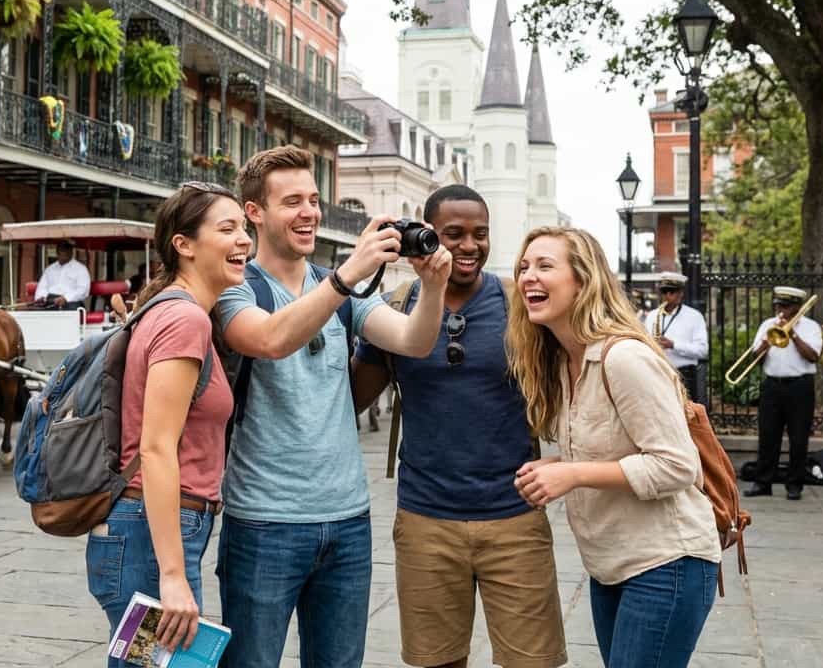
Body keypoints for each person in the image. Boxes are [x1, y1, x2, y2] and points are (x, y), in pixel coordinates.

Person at [215, 146, 452, 668]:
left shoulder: (340, 289)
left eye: (315, 200)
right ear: (254, 212)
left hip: (347, 520)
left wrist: (432, 288)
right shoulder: (237, 289)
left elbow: (412, 341)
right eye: (292, 201)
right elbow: (272, 339)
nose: (310, 213)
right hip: (263, 523)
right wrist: (345, 278)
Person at [351, 185, 567, 668]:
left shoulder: (523, 308)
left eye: (480, 234)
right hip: (426, 519)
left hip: (515, 516)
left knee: (533, 662)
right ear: (429, 233)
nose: (469, 246)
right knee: (436, 661)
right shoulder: (396, 304)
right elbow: (348, 400)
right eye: (454, 234)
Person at [508, 227, 720, 668]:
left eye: (546, 266)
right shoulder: (563, 362)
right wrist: (560, 465)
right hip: (610, 566)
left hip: (666, 563)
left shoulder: (623, 358)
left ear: (583, 281)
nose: (529, 276)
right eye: (524, 267)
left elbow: (677, 466)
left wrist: (571, 473)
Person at [84, 181, 250, 664]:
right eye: (227, 228)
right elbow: (156, 448)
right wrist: (172, 576)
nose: (244, 239)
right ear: (184, 244)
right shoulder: (184, 320)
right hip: (152, 535)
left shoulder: (177, 311)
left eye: (244, 228)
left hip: (149, 530)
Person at [743, 286, 822, 501]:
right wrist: (766, 343)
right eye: (778, 305)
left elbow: (813, 356)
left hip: (800, 387)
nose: (781, 311)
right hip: (772, 386)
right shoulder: (768, 325)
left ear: (797, 307)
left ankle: (794, 484)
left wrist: (792, 334)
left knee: (798, 438)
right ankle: (762, 482)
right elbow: (755, 359)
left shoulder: (811, 327)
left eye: (786, 306)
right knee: (768, 436)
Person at [643, 271, 709, 402]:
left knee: (686, 417)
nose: (668, 296)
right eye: (665, 292)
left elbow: (703, 351)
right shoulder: (652, 316)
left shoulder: (694, 316)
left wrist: (674, 345)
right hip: (658, 373)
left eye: (672, 292)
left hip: (685, 376)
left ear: (681, 294)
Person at [34, 240, 90, 310]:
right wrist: (41, 297)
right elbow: (42, 287)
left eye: (66, 249)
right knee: (34, 312)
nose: (63, 252)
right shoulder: (49, 269)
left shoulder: (81, 269)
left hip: (71, 301)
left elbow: (83, 290)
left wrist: (66, 298)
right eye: (61, 249)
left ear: (71, 251)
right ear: (57, 251)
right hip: (51, 301)